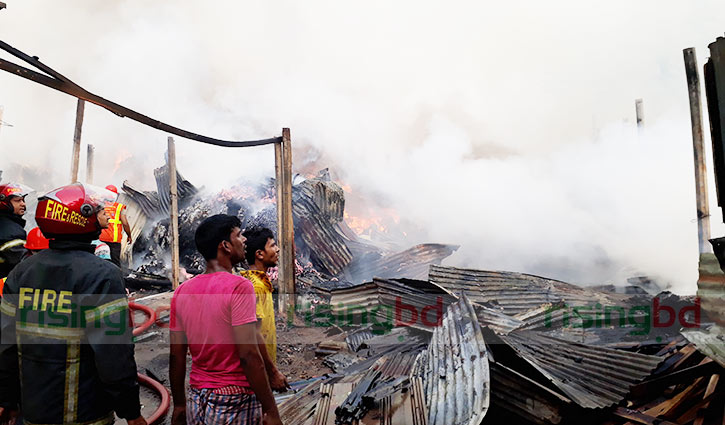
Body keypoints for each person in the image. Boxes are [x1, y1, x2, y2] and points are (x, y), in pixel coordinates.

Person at [0, 183, 146, 425]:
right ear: (82, 217)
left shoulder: (21, 273)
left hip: (34, 413)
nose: (106, 214)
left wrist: (7, 399)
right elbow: (114, 355)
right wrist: (131, 411)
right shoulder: (103, 275)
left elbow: (6, 346)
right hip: (86, 414)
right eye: (100, 210)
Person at [169, 215, 283, 425]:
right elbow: (248, 355)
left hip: (197, 397)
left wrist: (179, 404)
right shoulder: (240, 287)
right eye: (239, 235)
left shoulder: (182, 292)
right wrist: (270, 409)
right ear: (226, 246)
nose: (245, 240)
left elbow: (176, 356)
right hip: (235, 400)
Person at [239, 227, 288, 391]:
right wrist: (272, 372)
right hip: (258, 370)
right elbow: (253, 335)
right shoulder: (256, 287)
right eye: (273, 246)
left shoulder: (255, 282)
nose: (277, 249)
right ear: (259, 254)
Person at [0, 183, 31, 280]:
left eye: (23, 200)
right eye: (17, 201)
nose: (23, 204)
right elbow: (24, 263)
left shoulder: (7, 224)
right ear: (4, 203)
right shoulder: (11, 232)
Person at [99, 184, 132, 267]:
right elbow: (125, 223)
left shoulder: (99, 206)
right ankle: (116, 279)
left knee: (100, 262)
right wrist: (129, 235)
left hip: (101, 239)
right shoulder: (119, 207)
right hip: (114, 240)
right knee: (115, 263)